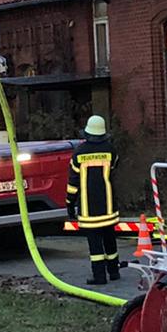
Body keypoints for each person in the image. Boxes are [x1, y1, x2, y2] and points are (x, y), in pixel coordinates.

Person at [66, 115, 121, 285]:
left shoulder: (79, 153)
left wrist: (70, 203)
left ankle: (99, 276)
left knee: (95, 244)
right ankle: (113, 271)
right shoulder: (111, 150)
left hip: (89, 208)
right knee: (110, 239)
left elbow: (73, 183)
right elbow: (114, 168)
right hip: (108, 206)